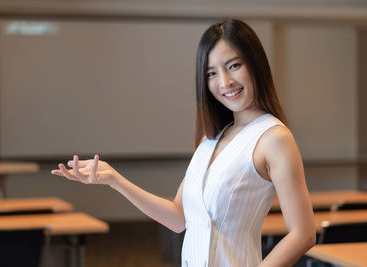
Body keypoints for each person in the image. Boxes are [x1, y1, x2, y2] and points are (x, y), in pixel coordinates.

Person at [51, 18, 316, 267]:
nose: (225, 82)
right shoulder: (211, 138)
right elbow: (179, 218)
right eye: (212, 73)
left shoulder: (274, 138)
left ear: (256, 64)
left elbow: (303, 234)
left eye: (234, 65)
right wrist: (115, 180)